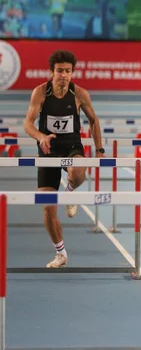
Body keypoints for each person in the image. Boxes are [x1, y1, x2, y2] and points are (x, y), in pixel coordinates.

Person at [23, 50, 105, 268]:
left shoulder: (79, 94)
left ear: (72, 73)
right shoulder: (40, 93)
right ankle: (61, 253)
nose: (63, 75)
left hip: (71, 147)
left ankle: (69, 193)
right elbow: (28, 123)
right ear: (52, 72)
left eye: (67, 71)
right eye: (59, 71)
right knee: (48, 208)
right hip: (48, 151)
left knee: (78, 173)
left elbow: (94, 121)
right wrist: (41, 136)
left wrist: (100, 149)